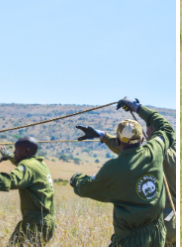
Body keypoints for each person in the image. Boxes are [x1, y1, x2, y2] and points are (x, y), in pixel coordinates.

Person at [69, 98, 173, 247]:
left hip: (130, 240)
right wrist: (137, 107)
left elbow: (88, 187)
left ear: (118, 141)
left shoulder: (113, 169)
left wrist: (76, 179)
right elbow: (166, 128)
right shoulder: (154, 151)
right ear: (142, 139)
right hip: (158, 234)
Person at [0, 138, 56, 246]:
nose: (14, 152)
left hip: (35, 224)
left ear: (26, 151)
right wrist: (9, 157)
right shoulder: (40, 164)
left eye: (16, 150)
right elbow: (23, 163)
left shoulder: (28, 166)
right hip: (46, 223)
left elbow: (11, 180)